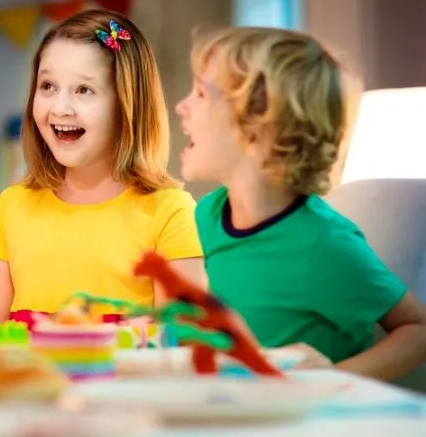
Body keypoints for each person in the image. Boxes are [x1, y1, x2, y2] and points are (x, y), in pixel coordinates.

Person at [176, 25, 426, 380]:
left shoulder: (324, 243)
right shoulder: (206, 215)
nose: (181, 106)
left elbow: (417, 330)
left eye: (200, 93)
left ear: (258, 128)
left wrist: (333, 380)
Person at [0, 9, 206, 332]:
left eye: (84, 90)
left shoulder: (171, 214)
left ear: (127, 104)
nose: (60, 107)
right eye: (48, 86)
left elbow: (183, 349)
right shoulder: (8, 211)